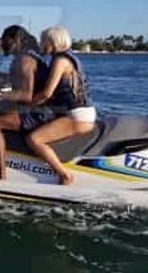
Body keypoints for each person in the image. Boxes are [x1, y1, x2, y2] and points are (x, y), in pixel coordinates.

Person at [25, 26, 96, 185]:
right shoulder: (70, 57)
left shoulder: (60, 61)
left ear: (52, 42)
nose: (41, 45)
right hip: (83, 111)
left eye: (43, 41)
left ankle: (64, 175)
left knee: (34, 139)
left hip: (77, 115)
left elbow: (46, 93)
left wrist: (27, 104)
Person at [0, 25, 52, 180]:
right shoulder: (23, 58)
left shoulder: (25, 60)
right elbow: (18, 84)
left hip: (39, 111)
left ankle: (0, 174)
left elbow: (26, 95)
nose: (2, 44)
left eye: (4, 40)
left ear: (15, 40)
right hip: (31, 107)